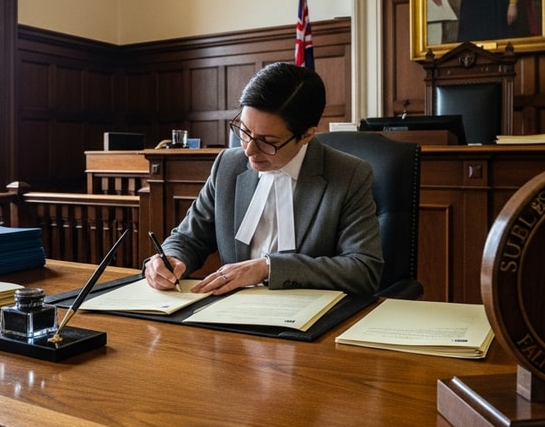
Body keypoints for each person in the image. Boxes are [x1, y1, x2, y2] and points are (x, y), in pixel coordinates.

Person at [143, 62, 384, 296]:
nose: (248, 150)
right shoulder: (228, 165)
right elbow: (188, 238)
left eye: (268, 141)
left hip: (310, 318)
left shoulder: (349, 175)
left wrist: (267, 268)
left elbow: (363, 270)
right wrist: (170, 259)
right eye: (245, 132)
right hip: (231, 314)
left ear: (307, 135)